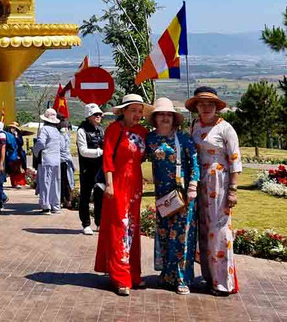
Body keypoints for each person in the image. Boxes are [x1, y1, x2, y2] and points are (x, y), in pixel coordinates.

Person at [186, 86, 242, 296]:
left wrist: (233, 190)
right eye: (202, 104)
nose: (206, 107)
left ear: (216, 107)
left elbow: (235, 159)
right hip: (200, 182)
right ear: (197, 107)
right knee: (203, 230)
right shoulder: (195, 126)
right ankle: (209, 277)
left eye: (210, 104)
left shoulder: (225, 128)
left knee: (219, 232)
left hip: (219, 183)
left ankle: (223, 283)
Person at [94, 94, 151, 296]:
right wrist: (109, 184)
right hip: (117, 184)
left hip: (135, 184)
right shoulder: (114, 130)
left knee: (133, 229)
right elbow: (107, 158)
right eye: (133, 110)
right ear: (124, 111)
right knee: (120, 228)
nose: (137, 114)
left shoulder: (143, 132)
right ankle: (120, 278)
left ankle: (133, 274)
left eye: (140, 111)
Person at [144, 97, 199, 295]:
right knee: (165, 235)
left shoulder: (183, 139)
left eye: (169, 114)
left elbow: (194, 164)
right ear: (156, 118)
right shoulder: (150, 139)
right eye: (161, 114)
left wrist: (193, 185)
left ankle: (182, 279)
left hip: (183, 197)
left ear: (174, 118)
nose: (165, 118)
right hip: (163, 198)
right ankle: (168, 275)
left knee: (182, 238)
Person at [77, 103, 105, 235]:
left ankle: (99, 222)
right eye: (96, 114)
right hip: (87, 168)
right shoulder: (82, 131)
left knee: (100, 195)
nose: (99, 116)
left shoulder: (101, 130)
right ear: (89, 116)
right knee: (85, 196)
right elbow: (83, 151)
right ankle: (86, 224)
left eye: (100, 114)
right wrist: (100, 152)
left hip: (100, 168)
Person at [32, 108, 63, 214]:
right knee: (55, 182)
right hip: (56, 159)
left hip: (46, 159)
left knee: (46, 182)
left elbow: (41, 143)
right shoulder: (56, 131)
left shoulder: (44, 129)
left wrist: (35, 151)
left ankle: (46, 206)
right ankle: (55, 205)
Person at [59, 121, 75, 208]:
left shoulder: (62, 135)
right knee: (66, 181)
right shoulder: (64, 135)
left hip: (63, 161)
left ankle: (66, 200)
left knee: (65, 181)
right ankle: (66, 200)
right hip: (64, 160)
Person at [7, 122, 27, 187]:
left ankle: (20, 182)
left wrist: (16, 137)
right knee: (12, 168)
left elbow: (21, 143)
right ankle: (14, 182)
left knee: (19, 168)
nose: (12, 129)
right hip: (11, 153)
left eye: (14, 128)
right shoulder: (8, 134)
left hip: (18, 153)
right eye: (12, 127)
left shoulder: (19, 135)